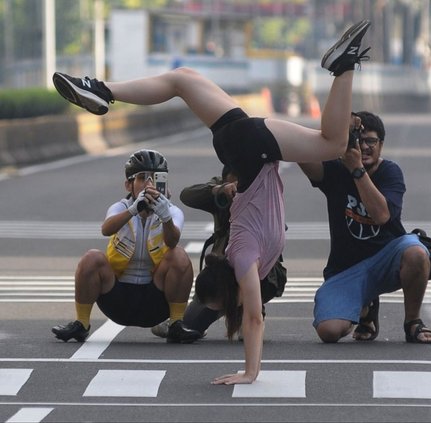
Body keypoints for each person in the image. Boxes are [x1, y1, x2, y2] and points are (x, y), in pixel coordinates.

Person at [52, 19, 371, 385]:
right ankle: (98, 89)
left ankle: (343, 66)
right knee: (182, 79)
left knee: (331, 143)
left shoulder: (244, 254)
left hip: (252, 148)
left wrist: (251, 372)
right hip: (243, 145)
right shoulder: (247, 252)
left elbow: (253, 317)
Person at [298, 111, 431, 345]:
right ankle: (365, 309)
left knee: (416, 252)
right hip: (346, 269)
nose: (364, 147)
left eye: (370, 141)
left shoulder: (390, 172)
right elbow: (302, 153)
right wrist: (334, 133)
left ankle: (412, 322)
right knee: (329, 332)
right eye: (357, 140)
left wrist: (357, 170)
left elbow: (382, 215)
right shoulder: (334, 169)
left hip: (386, 259)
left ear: (381, 145)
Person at [51, 149, 202, 344]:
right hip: (118, 297)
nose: (149, 184)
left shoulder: (171, 211)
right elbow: (106, 229)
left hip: (154, 299)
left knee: (179, 255)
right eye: (142, 178)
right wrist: (133, 210)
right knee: (92, 257)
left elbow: (172, 241)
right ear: (128, 185)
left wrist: (165, 217)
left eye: (155, 178)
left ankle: (175, 324)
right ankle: (81, 324)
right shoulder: (121, 207)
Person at [150, 165, 287, 339]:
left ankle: (252, 310)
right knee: (186, 327)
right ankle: (226, 311)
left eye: (241, 185)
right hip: (221, 278)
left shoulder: (264, 192)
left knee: (249, 330)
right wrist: (219, 191)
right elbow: (187, 195)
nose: (237, 191)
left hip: (261, 272)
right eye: (233, 186)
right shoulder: (222, 193)